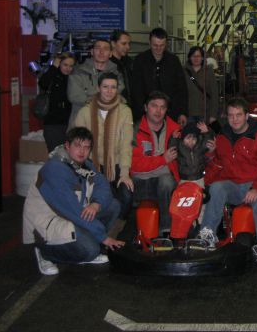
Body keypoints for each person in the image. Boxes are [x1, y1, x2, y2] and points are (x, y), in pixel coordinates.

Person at [22, 127, 124, 276]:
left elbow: (103, 185)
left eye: (86, 147)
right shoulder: (54, 169)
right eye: (77, 145)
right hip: (49, 222)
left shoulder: (85, 164)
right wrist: (103, 237)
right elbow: (71, 209)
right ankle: (45, 252)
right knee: (91, 250)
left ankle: (83, 247)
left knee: (113, 205)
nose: (82, 151)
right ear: (67, 146)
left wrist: (96, 204)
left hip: (71, 216)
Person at [196, 97, 257, 265]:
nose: (234, 119)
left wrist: (256, 188)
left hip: (255, 183)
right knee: (217, 187)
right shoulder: (223, 136)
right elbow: (218, 164)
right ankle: (207, 234)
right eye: (231, 115)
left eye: (238, 115)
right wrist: (203, 185)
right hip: (232, 185)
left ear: (247, 116)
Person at [74, 72, 134, 226]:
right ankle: (102, 229)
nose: (109, 91)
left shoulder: (125, 111)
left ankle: (117, 227)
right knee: (103, 200)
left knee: (127, 196)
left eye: (113, 87)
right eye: (105, 87)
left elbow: (126, 144)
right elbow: (78, 144)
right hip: (91, 165)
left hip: (117, 164)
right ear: (98, 88)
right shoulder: (85, 112)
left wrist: (125, 173)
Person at [131, 91, 181, 233]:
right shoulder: (134, 130)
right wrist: (163, 160)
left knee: (167, 181)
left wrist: (208, 150)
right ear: (146, 107)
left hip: (166, 184)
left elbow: (188, 156)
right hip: (141, 184)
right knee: (164, 179)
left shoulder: (176, 130)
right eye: (154, 106)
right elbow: (135, 165)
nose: (158, 111)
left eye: (162, 107)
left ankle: (166, 228)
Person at [131, 28, 188, 125]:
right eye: (155, 45)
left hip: (171, 113)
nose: (158, 48)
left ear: (166, 44)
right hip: (146, 113)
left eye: (161, 45)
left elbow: (181, 88)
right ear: (149, 43)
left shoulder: (173, 61)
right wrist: (143, 110)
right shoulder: (140, 60)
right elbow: (136, 89)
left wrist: (182, 112)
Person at [67, 38, 124, 128]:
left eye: (105, 49)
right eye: (98, 48)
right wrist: (103, 95)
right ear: (92, 52)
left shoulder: (117, 73)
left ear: (110, 54)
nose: (101, 52)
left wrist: (89, 93)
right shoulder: (78, 71)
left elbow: (118, 95)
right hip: (81, 126)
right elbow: (75, 96)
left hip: (108, 126)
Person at [39, 52, 76, 152]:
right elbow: (43, 83)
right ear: (59, 64)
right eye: (65, 65)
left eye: (71, 66)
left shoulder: (73, 78)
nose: (68, 68)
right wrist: (53, 67)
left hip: (70, 122)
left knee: (70, 155)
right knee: (56, 155)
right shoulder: (53, 75)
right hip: (53, 123)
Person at [169, 121, 216, 185]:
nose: (191, 141)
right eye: (188, 138)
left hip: (200, 179)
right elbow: (172, 148)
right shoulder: (180, 147)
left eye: (194, 138)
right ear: (183, 139)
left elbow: (207, 143)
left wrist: (206, 132)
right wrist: (173, 138)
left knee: (200, 194)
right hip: (184, 179)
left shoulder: (199, 147)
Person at [184, 46, 219, 126]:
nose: (196, 58)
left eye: (198, 56)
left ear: (202, 58)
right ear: (189, 57)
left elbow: (214, 93)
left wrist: (213, 114)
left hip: (205, 113)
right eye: (193, 56)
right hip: (188, 113)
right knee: (189, 136)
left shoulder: (209, 71)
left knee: (204, 137)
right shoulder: (184, 71)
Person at [109, 30, 134, 110]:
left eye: (129, 44)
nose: (128, 47)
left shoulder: (130, 62)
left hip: (130, 106)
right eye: (123, 44)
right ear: (113, 44)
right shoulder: (106, 63)